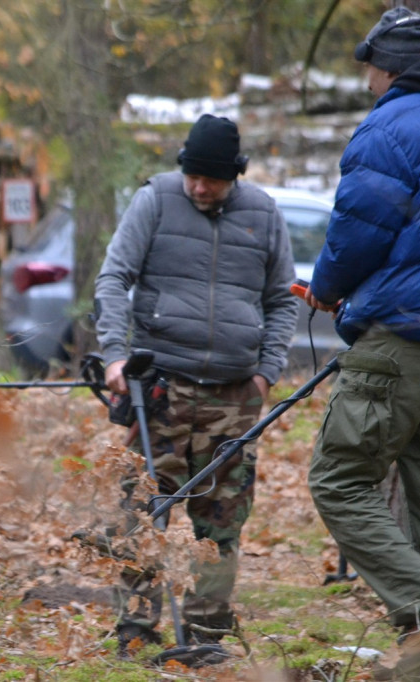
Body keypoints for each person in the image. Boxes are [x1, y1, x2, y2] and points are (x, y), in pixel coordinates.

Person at [92, 114, 298, 655]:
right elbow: (114, 277)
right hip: (161, 386)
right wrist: (115, 355)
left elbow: (281, 299)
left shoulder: (264, 213)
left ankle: (207, 631)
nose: (199, 187)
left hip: (233, 393)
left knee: (222, 517)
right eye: (192, 176)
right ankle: (136, 630)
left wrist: (264, 372)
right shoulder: (156, 200)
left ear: (234, 176)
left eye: (211, 179)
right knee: (139, 509)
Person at [299, 8, 420, 676]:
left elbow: (361, 224)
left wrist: (328, 286)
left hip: (404, 332)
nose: (365, 80)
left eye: (368, 67)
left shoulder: (393, 124)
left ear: (383, 65)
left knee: (338, 476)